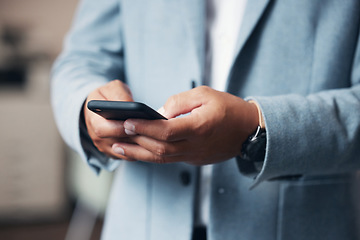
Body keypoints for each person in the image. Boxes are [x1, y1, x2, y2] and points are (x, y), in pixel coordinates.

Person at [51, 0, 360, 239]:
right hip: (142, 224)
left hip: (297, 226)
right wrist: (85, 109)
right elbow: (81, 59)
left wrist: (257, 127)